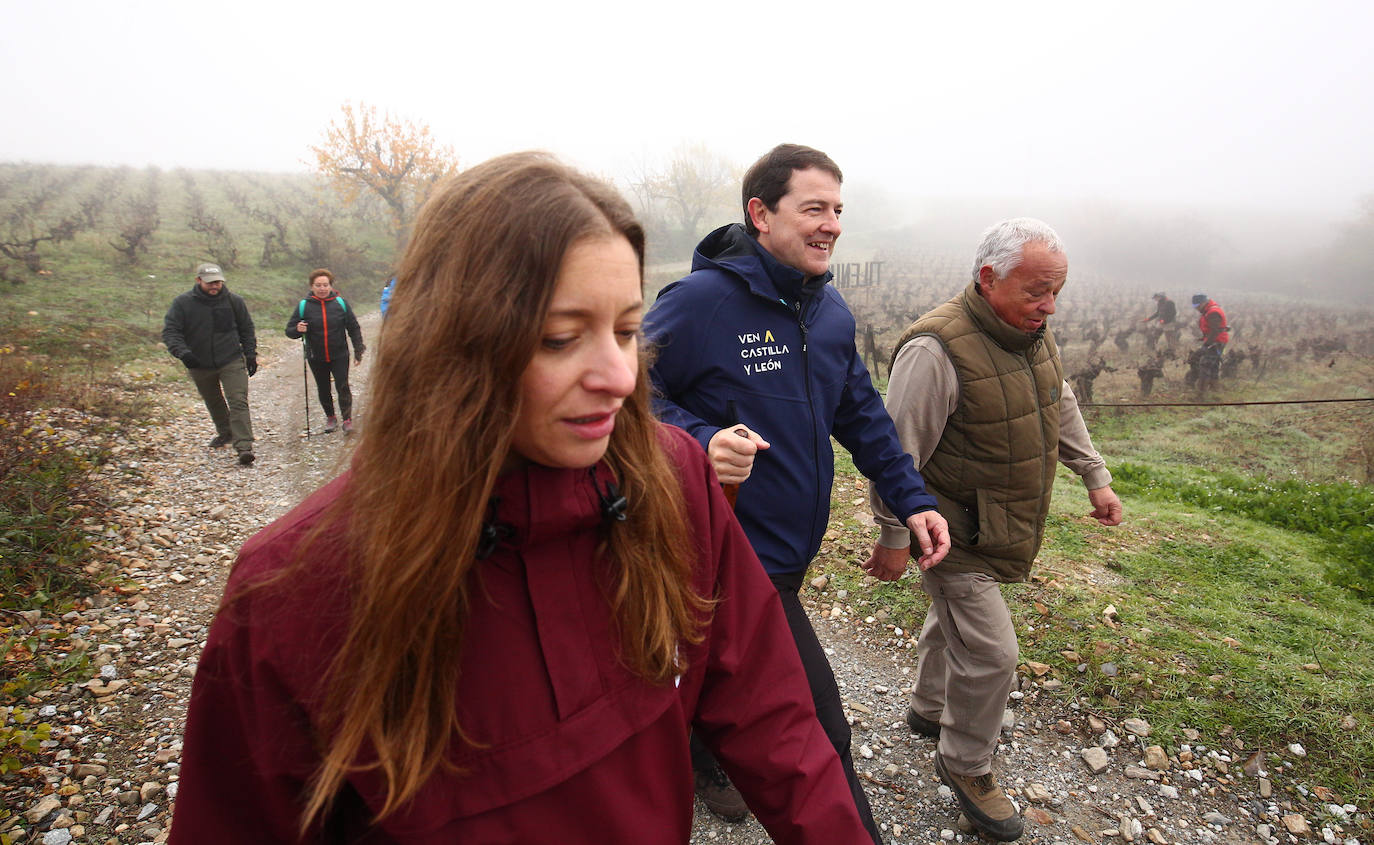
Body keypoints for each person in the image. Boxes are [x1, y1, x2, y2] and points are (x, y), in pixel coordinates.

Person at [169, 153, 872, 844]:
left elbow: (773, 719)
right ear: (454, 342)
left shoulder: (677, 482)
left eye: (626, 331)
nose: (618, 377)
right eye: (562, 337)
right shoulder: (295, 589)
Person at [646, 143, 949, 841]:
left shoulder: (829, 311)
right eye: (814, 208)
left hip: (787, 556)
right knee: (816, 726)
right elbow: (627, 395)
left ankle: (704, 745)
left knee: (707, 674)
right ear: (761, 214)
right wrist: (698, 440)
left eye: (838, 210)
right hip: (729, 554)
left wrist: (913, 499)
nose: (832, 224)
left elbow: (864, 416)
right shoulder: (699, 304)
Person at [869, 218, 1123, 842]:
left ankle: (929, 710)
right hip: (948, 529)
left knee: (951, 621)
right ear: (989, 278)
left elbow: (1056, 401)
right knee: (991, 651)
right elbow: (893, 452)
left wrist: (1093, 473)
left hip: (997, 520)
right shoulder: (936, 350)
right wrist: (895, 536)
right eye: (1038, 289)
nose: (1049, 305)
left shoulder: (1029, 334)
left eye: (1056, 291)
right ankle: (966, 766)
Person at [161, 262, 258, 465]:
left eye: (218, 282)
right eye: (210, 282)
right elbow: (171, 331)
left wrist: (250, 355)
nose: (214, 286)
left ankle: (244, 446)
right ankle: (226, 432)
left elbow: (246, 329)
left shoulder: (234, 301)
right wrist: (183, 353)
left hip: (231, 359)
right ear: (198, 280)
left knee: (238, 400)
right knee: (213, 400)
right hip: (198, 362)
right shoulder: (182, 303)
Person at [285, 268, 366, 434]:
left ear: (331, 286)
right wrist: (298, 329)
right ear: (311, 286)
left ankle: (347, 420)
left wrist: (358, 350)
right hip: (316, 356)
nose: (322, 288)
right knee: (323, 388)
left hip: (340, 354)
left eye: (325, 285)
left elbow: (353, 328)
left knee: (342, 386)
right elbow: (289, 331)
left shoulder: (340, 304)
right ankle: (330, 417)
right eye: (318, 285)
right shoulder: (304, 306)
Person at [1191, 292, 1229, 394]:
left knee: (1205, 365)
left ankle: (1201, 392)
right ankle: (1215, 389)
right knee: (1213, 365)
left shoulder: (1213, 312)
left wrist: (1205, 345)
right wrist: (1204, 338)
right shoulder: (1208, 310)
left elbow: (1215, 331)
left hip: (1216, 342)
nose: (1196, 308)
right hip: (1215, 340)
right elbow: (1211, 329)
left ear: (1204, 302)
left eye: (1197, 306)